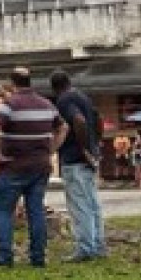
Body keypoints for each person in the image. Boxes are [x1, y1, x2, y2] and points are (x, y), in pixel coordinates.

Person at [0, 66, 67, 267]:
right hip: (40, 166)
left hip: (13, 165)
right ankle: (38, 257)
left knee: (4, 210)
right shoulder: (46, 104)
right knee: (36, 210)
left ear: (12, 83)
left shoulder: (9, 104)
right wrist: (51, 149)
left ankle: (5, 256)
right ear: (30, 81)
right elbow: (63, 127)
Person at [49, 70, 106, 261]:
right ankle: (98, 245)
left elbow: (79, 120)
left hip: (75, 158)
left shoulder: (63, 100)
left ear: (54, 88)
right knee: (92, 203)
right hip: (89, 158)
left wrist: (83, 149)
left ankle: (85, 248)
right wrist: (95, 144)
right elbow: (98, 118)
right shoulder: (83, 96)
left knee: (79, 204)